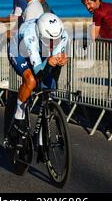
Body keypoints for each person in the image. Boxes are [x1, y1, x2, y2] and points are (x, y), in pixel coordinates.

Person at [6, 13, 69, 148]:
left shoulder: (63, 35)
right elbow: (39, 71)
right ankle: (18, 116)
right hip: (18, 50)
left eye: (55, 41)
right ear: (41, 35)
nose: (53, 44)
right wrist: (49, 61)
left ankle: (41, 133)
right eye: (49, 40)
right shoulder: (30, 35)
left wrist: (60, 60)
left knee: (49, 88)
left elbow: (54, 63)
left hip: (40, 51)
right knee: (31, 81)